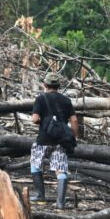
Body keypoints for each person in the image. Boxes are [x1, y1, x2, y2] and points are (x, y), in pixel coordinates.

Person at [29, 72, 79, 209]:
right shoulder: (66, 101)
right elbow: (74, 120)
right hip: (61, 141)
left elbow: (34, 118)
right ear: (58, 86)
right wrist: (74, 136)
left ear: (45, 85)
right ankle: (60, 203)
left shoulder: (40, 98)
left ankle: (41, 196)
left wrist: (42, 122)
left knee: (35, 164)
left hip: (43, 139)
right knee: (61, 170)